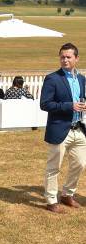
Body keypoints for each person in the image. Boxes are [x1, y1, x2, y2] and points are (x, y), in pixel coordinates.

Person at [40, 43, 86, 213]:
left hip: (79, 129)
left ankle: (67, 194)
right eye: (62, 57)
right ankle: (51, 199)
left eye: (68, 57)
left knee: (80, 164)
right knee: (54, 167)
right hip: (59, 130)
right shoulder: (52, 78)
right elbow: (45, 104)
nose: (65, 60)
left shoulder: (81, 79)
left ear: (76, 58)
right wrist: (69, 106)